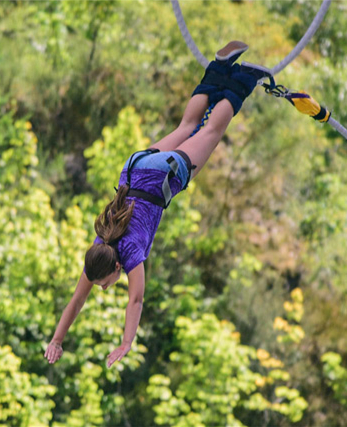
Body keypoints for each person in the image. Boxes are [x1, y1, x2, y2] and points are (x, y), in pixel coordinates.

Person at [44, 41, 271, 368]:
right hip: (133, 168)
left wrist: (126, 343)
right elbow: (77, 299)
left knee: (211, 131)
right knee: (187, 126)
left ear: (115, 269)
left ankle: (245, 77)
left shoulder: (130, 254)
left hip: (162, 178)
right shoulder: (100, 244)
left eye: (106, 284)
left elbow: (135, 300)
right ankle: (218, 69)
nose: (105, 289)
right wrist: (57, 339)